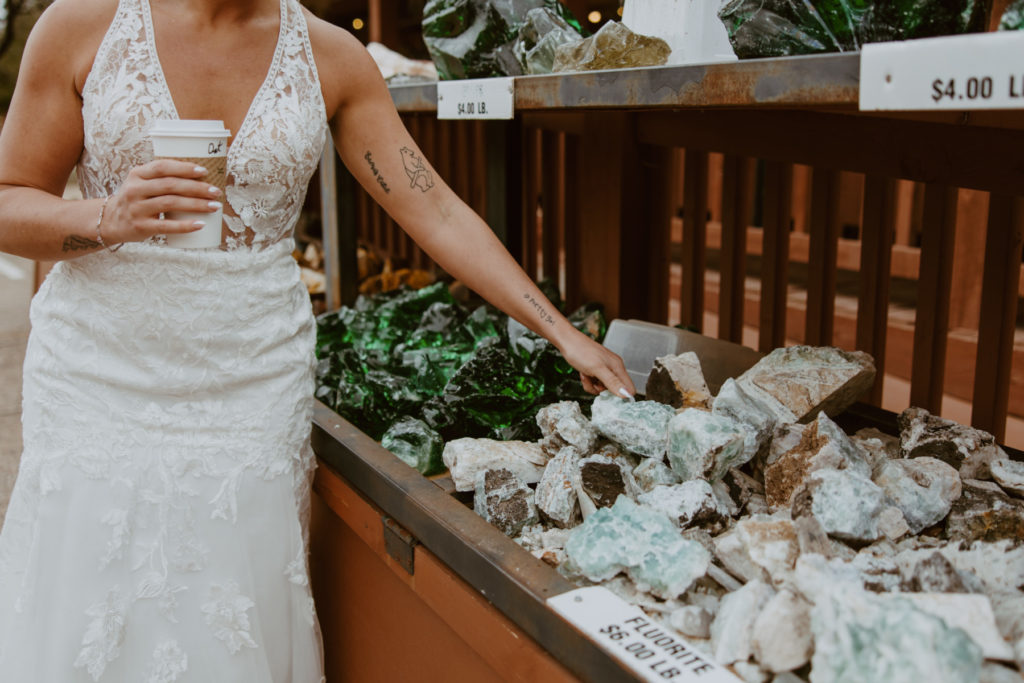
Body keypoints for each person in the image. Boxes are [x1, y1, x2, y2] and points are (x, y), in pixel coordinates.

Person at [0, 0, 635, 679]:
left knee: (228, 601)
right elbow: (10, 201)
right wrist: (107, 215)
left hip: (250, 382)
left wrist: (562, 332)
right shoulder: (80, 25)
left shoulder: (331, 57)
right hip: (100, 375)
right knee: (93, 593)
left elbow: (436, 208)